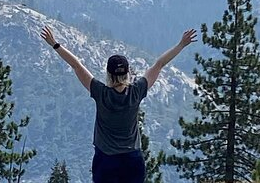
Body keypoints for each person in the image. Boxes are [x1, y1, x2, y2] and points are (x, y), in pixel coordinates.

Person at [40, 25, 197, 183]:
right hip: (133, 160)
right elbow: (159, 64)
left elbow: (76, 65)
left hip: (105, 160)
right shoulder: (136, 91)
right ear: (128, 73)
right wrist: (181, 44)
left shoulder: (100, 92)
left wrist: (55, 44)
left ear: (108, 74)